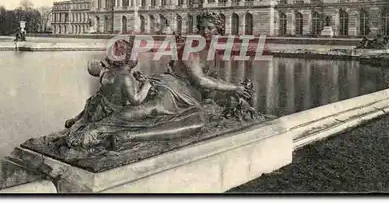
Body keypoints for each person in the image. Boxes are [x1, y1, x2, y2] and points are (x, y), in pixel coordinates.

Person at [64, 11, 252, 151]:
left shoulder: (212, 51)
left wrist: (234, 92)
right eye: (202, 27)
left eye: (210, 28)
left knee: (192, 121)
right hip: (172, 88)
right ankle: (96, 130)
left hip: (187, 95)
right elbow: (200, 79)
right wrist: (234, 88)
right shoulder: (191, 46)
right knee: (147, 110)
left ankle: (125, 136)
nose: (205, 32)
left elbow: (211, 81)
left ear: (219, 29)